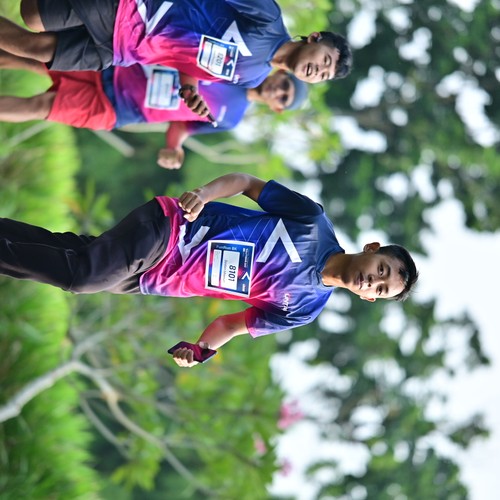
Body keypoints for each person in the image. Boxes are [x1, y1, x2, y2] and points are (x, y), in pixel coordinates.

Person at [0, 173, 419, 368]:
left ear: (369, 298)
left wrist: (200, 350)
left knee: (68, 254)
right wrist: (203, 193)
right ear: (372, 248)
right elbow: (246, 183)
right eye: (382, 269)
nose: (374, 280)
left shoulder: (304, 308)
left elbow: (232, 325)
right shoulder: (312, 222)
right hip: (171, 229)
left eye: (380, 288)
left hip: (155, 279)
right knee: (83, 275)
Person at [0, 0, 352, 116]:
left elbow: (190, 62)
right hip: (136, 9)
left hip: (124, 52)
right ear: (314, 38)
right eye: (324, 61)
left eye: (322, 75)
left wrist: (190, 91)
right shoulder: (268, 18)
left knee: (34, 48)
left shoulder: (253, 76)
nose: (317, 71)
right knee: (33, 15)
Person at [0, 51, 308, 169]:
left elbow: (183, 125)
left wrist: (174, 148)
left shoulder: (232, 118)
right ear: (281, 73)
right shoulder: (238, 65)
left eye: (284, 98)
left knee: (40, 106)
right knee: (34, 59)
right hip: (116, 64)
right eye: (284, 85)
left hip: (116, 108)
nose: (278, 91)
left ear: (277, 108)